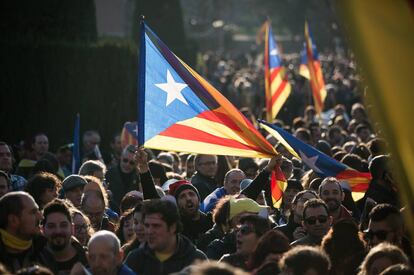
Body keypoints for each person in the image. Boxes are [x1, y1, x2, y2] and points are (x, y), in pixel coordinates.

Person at [124, 199, 207, 275]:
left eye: (156, 226)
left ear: (172, 227)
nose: (149, 231)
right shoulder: (135, 259)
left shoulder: (196, 260)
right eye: (147, 225)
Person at [40, 199, 88, 274]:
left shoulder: (89, 260)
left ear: (72, 228)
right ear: (43, 230)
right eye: (51, 226)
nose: (58, 231)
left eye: (63, 225)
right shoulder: (35, 262)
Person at [0, 192, 44, 272]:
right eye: (33, 212)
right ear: (13, 220)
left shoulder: (45, 247)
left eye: (38, 211)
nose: (41, 217)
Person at [168, 180, 213, 245]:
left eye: (191, 194)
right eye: (182, 196)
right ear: (177, 204)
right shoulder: (176, 228)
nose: (188, 198)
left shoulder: (211, 221)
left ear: (199, 199)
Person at [106, 145, 141, 213]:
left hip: (132, 213)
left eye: (132, 163)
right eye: (125, 160)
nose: (127, 164)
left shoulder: (138, 177)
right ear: (121, 157)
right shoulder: (109, 173)